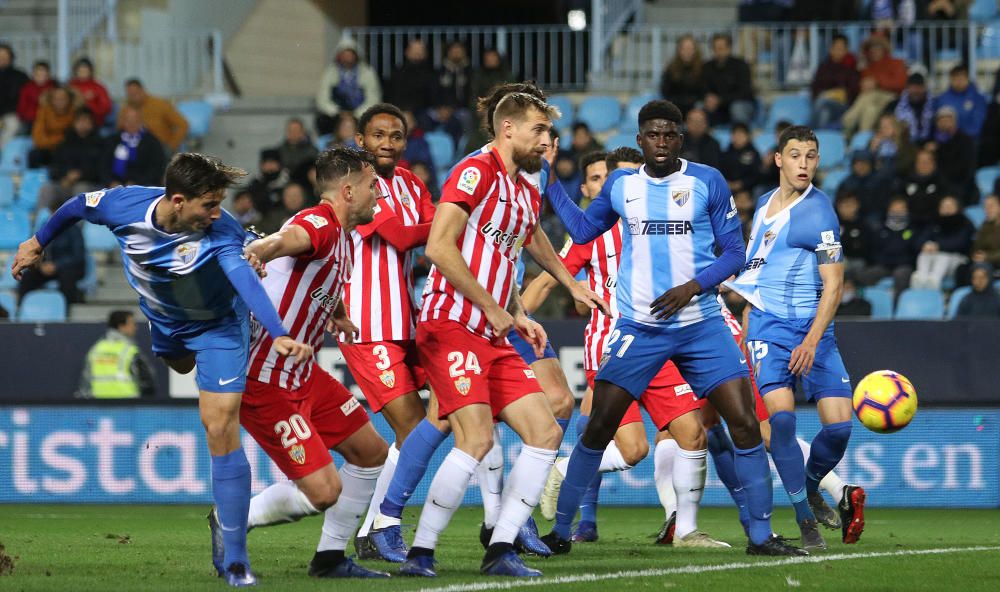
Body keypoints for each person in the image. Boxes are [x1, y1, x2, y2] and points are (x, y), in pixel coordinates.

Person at [11, 153, 315, 587]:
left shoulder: (222, 231)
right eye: (208, 205)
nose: (217, 213)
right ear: (176, 200)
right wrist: (38, 241)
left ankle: (235, 560)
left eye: (218, 203)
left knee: (220, 425)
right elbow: (79, 205)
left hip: (219, 328)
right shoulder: (126, 206)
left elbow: (242, 275)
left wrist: (278, 331)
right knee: (178, 362)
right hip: (167, 324)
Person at [542, 99, 801, 556]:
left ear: (680, 138)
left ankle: (761, 536)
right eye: (653, 135)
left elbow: (734, 253)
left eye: (670, 134)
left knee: (743, 425)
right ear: (640, 140)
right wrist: (549, 180)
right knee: (598, 428)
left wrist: (692, 287)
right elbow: (583, 232)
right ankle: (560, 533)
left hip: (700, 325)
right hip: (639, 328)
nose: (661, 142)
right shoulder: (622, 184)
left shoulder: (707, 180)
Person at [399, 91, 606, 578]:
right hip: (452, 323)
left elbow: (528, 236)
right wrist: (494, 308)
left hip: (492, 329)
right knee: (475, 439)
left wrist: (550, 293)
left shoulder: (524, 183)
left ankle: (501, 547)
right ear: (508, 128)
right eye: (537, 130)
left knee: (547, 429)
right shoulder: (476, 171)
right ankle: (420, 553)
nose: (546, 140)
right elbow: (438, 246)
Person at [524, 150, 728, 549]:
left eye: (617, 178)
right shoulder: (592, 234)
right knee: (631, 448)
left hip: (660, 342)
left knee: (692, 434)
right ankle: (571, 498)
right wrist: (511, 317)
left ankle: (686, 531)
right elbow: (549, 280)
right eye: (600, 179)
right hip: (613, 345)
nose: (615, 186)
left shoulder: (667, 224)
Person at [229, 146, 391, 579]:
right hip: (267, 381)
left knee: (372, 452)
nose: (379, 194)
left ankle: (331, 557)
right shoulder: (318, 222)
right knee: (323, 492)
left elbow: (313, 275)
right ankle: (232, 520)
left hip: (303, 375)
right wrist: (258, 251)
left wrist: (336, 312)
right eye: (373, 185)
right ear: (348, 189)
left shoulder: (342, 238)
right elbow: (285, 241)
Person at [728, 125, 863, 548]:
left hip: (814, 333)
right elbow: (757, 268)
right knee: (781, 421)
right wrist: (749, 313)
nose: (803, 163)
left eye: (811, 156)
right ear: (778, 159)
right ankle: (805, 520)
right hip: (769, 327)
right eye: (795, 155)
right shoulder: (765, 204)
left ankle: (809, 484)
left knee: (839, 429)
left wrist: (810, 340)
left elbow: (835, 285)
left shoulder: (820, 213)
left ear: (817, 161)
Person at [331, 104, 438, 557]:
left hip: (406, 324)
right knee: (414, 428)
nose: (388, 143)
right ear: (361, 140)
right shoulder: (354, 187)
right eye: (378, 135)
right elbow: (403, 236)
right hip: (366, 324)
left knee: (437, 422)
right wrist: (452, 222)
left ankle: (371, 530)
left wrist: (444, 226)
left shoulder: (412, 183)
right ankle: (377, 527)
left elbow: (436, 232)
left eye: (396, 135)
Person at [15, 198, 85, 307]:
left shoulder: (74, 229)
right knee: (28, 277)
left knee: (67, 278)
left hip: (66, 268)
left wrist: (56, 265)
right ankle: (21, 308)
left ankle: (68, 310)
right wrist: (41, 265)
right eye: (53, 212)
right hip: (46, 267)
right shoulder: (45, 227)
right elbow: (37, 248)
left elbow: (78, 255)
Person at [78, 310, 156, 398]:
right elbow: (146, 381)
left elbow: (85, 382)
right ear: (121, 326)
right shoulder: (130, 350)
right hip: (127, 405)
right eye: (132, 323)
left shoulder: (96, 349)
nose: (135, 327)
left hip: (99, 406)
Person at [842, 34, 906, 138]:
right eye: (872, 48)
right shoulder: (866, 68)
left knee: (870, 95)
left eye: (878, 47)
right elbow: (860, 88)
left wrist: (877, 83)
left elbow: (900, 83)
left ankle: (849, 120)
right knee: (870, 110)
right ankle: (861, 139)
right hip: (871, 101)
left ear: (884, 49)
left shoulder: (896, 63)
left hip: (891, 97)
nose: (874, 50)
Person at [315, 38, 382, 136]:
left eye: (350, 54)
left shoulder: (367, 72)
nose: (347, 57)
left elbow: (373, 98)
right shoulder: (330, 73)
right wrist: (337, 112)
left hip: (361, 113)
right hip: (336, 114)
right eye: (344, 54)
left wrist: (356, 114)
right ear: (339, 56)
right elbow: (322, 98)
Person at [42, 108, 104, 210]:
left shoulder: (100, 144)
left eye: (86, 120)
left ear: (92, 123)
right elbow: (55, 167)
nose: (82, 124)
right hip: (65, 184)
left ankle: (80, 225)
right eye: (79, 120)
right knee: (47, 189)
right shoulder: (64, 143)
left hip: (90, 186)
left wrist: (79, 175)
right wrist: (65, 177)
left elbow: (100, 171)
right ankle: (42, 222)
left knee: (81, 189)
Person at [911, 195, 975, 290]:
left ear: (957, 208)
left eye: (950, 207)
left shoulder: (964, 222)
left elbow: (960, 243)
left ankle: (934, 281)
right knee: (924, 253)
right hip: (934, 257)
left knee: (943, 255)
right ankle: (921, 278)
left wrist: (939, 246)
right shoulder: (934, 221)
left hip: (958, 260)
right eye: (943, 207)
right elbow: (919, 239)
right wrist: (924, 245)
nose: (946, 210)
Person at [857, 197, 919, 292]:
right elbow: (874, 251)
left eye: (901, 209)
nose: (897, 212)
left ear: (907, 210)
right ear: (888, 210)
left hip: (903, 265)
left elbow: (913, 253)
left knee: (901, 275)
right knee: (863, 275)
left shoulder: (912, 230)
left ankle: (898, 305)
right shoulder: (880, 230)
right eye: (894, 209)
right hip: (883, 265)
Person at [102, 105, 168, 187]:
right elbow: (103, 166)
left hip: (143, 186)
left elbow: (157, 169)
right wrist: (111, 182)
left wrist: (137, 183)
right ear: (122, 121)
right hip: (115, 187)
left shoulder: (152, 142)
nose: (131, 124)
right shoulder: (112, 140)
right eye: (128, 120)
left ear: (141, 121)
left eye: (135, 120)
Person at [702, 33, 755, 126]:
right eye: (715, 48)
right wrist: (708, 98)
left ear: (729, 48)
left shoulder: (741, 65)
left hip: (740, 103)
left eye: (721, 48)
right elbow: (703, 87)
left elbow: (745, 92)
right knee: (698, 107)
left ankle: (741, 135)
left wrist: (721, 99)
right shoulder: (707, 67)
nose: (718, 51)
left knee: (737, 108)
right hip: (716, 106)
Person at [928, 106, 977, 204]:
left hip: (960, 185)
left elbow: (968, 168)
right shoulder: (932, 142)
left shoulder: (965, 140)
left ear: (955, 121)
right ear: (937, 123)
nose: (945, 123)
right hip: (938, 184)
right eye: (941, 120)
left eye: (948, 120)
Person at [123, 78, 189, 152]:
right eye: (130, 95)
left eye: (135, 93)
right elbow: (120, 129)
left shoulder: (160, 105)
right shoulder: (126, 109)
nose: (133, 97)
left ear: (143, 90)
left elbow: (183, 125)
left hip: (160, 147)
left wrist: (171, 146)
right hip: (134, 147)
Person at [810, 33, 859, 130]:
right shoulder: (823, 67)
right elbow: (814, 88)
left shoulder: (851, 67)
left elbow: (853, 92)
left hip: (842, 106)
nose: (838, 51)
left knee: (822, 102)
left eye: (841, 48)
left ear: (846, 50)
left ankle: (811, 133)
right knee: (825, 111)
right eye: (836, 48)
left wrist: (837, 94)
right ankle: (819, 137)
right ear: (831, 49)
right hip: (823, 104)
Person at [29, 86, 81, 168]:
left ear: (69, 99)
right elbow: (38, 138)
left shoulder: (75, 113)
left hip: (66, 150)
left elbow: (74, 138)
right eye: (56, 98)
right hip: (46, 149)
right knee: (34, 154)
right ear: (51, 100)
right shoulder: (44, 112)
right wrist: (58, 140)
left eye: (63, 98)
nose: (59, 101)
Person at [898, 148, 949, 230]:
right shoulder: (905, 181)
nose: (923, 164)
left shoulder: (942, 183)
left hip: (934, 227)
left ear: (934, 163)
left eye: (927, 161)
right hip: (908, 228)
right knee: (905, 237)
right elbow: (897, 204)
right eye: (920, 161)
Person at [935, 64, 987, 139]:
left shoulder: (978, 98)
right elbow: (938, 124)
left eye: (961, 78)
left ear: (967, 79)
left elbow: (977, 124)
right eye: (955, 79)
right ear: (950, 79)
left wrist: (960, 136)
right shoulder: (942, 99)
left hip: (971, 140)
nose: (958, 82)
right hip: (948, 140)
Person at [659, 34, 706, 116]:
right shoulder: (671, 68)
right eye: (684, 48)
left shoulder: (703, 68)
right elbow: (666, 91)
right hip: (676, 105)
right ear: (679, 50)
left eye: (690, 48)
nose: (687, 51)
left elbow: (704, 92)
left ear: (695, 50)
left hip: (695, 106)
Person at [386, 38, 435, 114]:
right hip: (401, 111)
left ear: (426, 53)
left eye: (421, 49)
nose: (417, 52)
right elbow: (393, 96)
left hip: (424, 112)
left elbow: (432, 98)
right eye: (414, 49)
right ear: (407, 52)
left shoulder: (431, 73)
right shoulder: (398, 72)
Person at [836, 192, 874, 279]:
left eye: (850, 205)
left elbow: (863, 250)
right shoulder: (831, 224)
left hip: (856, 261)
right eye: (843, 205)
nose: (846, 208)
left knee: (857, 266)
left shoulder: (864, 226)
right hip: (836, 260)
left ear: (857, 205)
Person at [68, 57, 112, 127]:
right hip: (71, 121)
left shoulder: (98, 87)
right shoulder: (70, 86)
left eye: (85, 71)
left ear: (90, 71)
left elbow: (106, 107)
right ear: (75, 72)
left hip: (94, 122)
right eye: (80, 71)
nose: (82, 73)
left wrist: (89, 103)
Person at [0, 43, 29, 148]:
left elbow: (24, 99)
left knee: (12, 125)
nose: (2, 58)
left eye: (5, 55)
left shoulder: (20, 76)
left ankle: (3, 155)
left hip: (12, 113)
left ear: (11, 58)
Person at [893, 73, 935, 144]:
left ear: (925, 88)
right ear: (907, 88)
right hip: (905, 145)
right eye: (913, 87)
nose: (916, 91)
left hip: (928, 144)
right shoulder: (895, 105)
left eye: (919, 87)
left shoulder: (934, 104)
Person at [246, 148, 289, 217]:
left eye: (272, 162)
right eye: (266, 163)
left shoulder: (288, 182)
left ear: (279, 164)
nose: (269, 166)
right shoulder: (255, 183)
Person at [720, 122, 760, 193]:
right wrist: (728, 184)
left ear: (747, 136)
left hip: (749, 189)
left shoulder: (754, 154)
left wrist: (741, 184)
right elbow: (720, 172)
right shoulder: (725, 154)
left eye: (741, 134)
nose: (738, 137)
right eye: (735, 134)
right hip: (727, 187)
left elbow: (756, 175)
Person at [276, 117, 318, 182]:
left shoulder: (312, 151)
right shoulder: (279, 150)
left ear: (302, 132)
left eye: (296, 130)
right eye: (290, 130)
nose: (293, 133)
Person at [16, 60, 55, 130]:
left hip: (48, 119)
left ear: (48, 75)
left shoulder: (53, 87)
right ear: (33, 74)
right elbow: (22, 106)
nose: (40, 77)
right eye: (38, 75)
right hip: (30, 119)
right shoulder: (27, 88)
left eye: (43, 75)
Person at [971, 194, 1000, 269]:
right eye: (985, 206)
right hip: (988, 262)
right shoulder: (985, 225)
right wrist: (978, 255)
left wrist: (987, 257)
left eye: (991, 206)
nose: (987, 209)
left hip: (994, 261)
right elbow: (978, 247)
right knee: (962, 269)